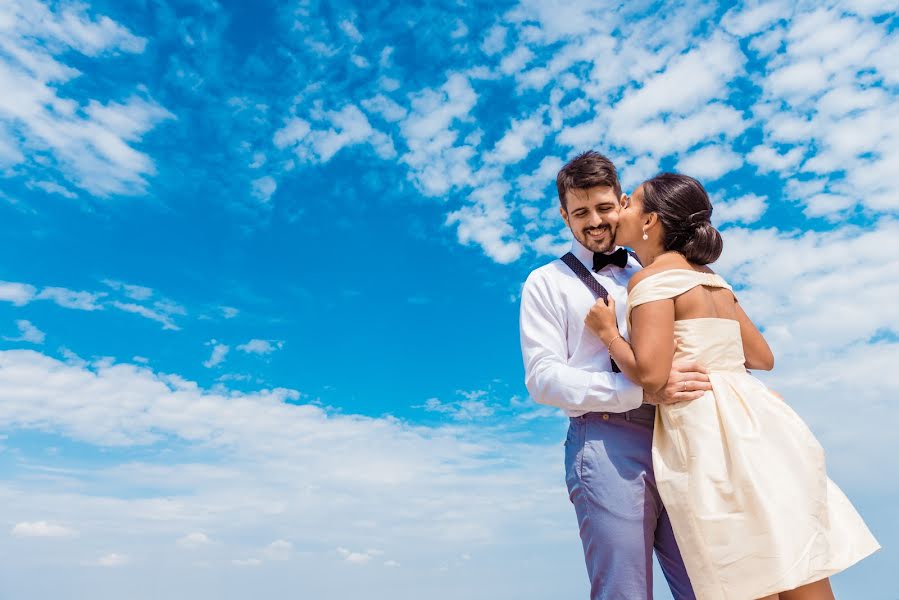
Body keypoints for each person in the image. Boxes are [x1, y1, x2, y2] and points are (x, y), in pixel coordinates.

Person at [584, 172, 880, 600]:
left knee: (742, 570)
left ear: (650, 222)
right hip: (759, 423)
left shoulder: (650, 280)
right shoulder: (713, 280)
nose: (622, 207)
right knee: (795, 559)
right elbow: (763, 357)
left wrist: (608, 333)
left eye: (630, 203)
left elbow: (651, 375)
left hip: (710, 437)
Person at [519, 151, 710, 600]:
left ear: (623, 202)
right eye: (580, 212)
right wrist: (638, 389)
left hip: (679, 437)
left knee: (710, 584)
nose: (595, 221)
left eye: (604, 207)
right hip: (604, 441)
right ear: (564, 215)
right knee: (625, 591)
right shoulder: (544, 282)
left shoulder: (652, 271)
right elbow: (542, 378)